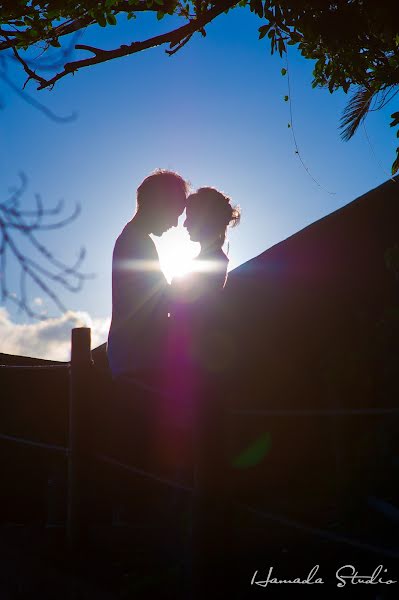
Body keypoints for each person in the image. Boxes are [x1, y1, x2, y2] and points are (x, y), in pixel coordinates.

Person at [107, 169, 188, 381]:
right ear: (159, 203)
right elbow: (160, 300)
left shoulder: (133, 239)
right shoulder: (137, 242)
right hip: (138, 360)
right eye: (175, 214)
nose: (176, 224)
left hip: (131, 357)